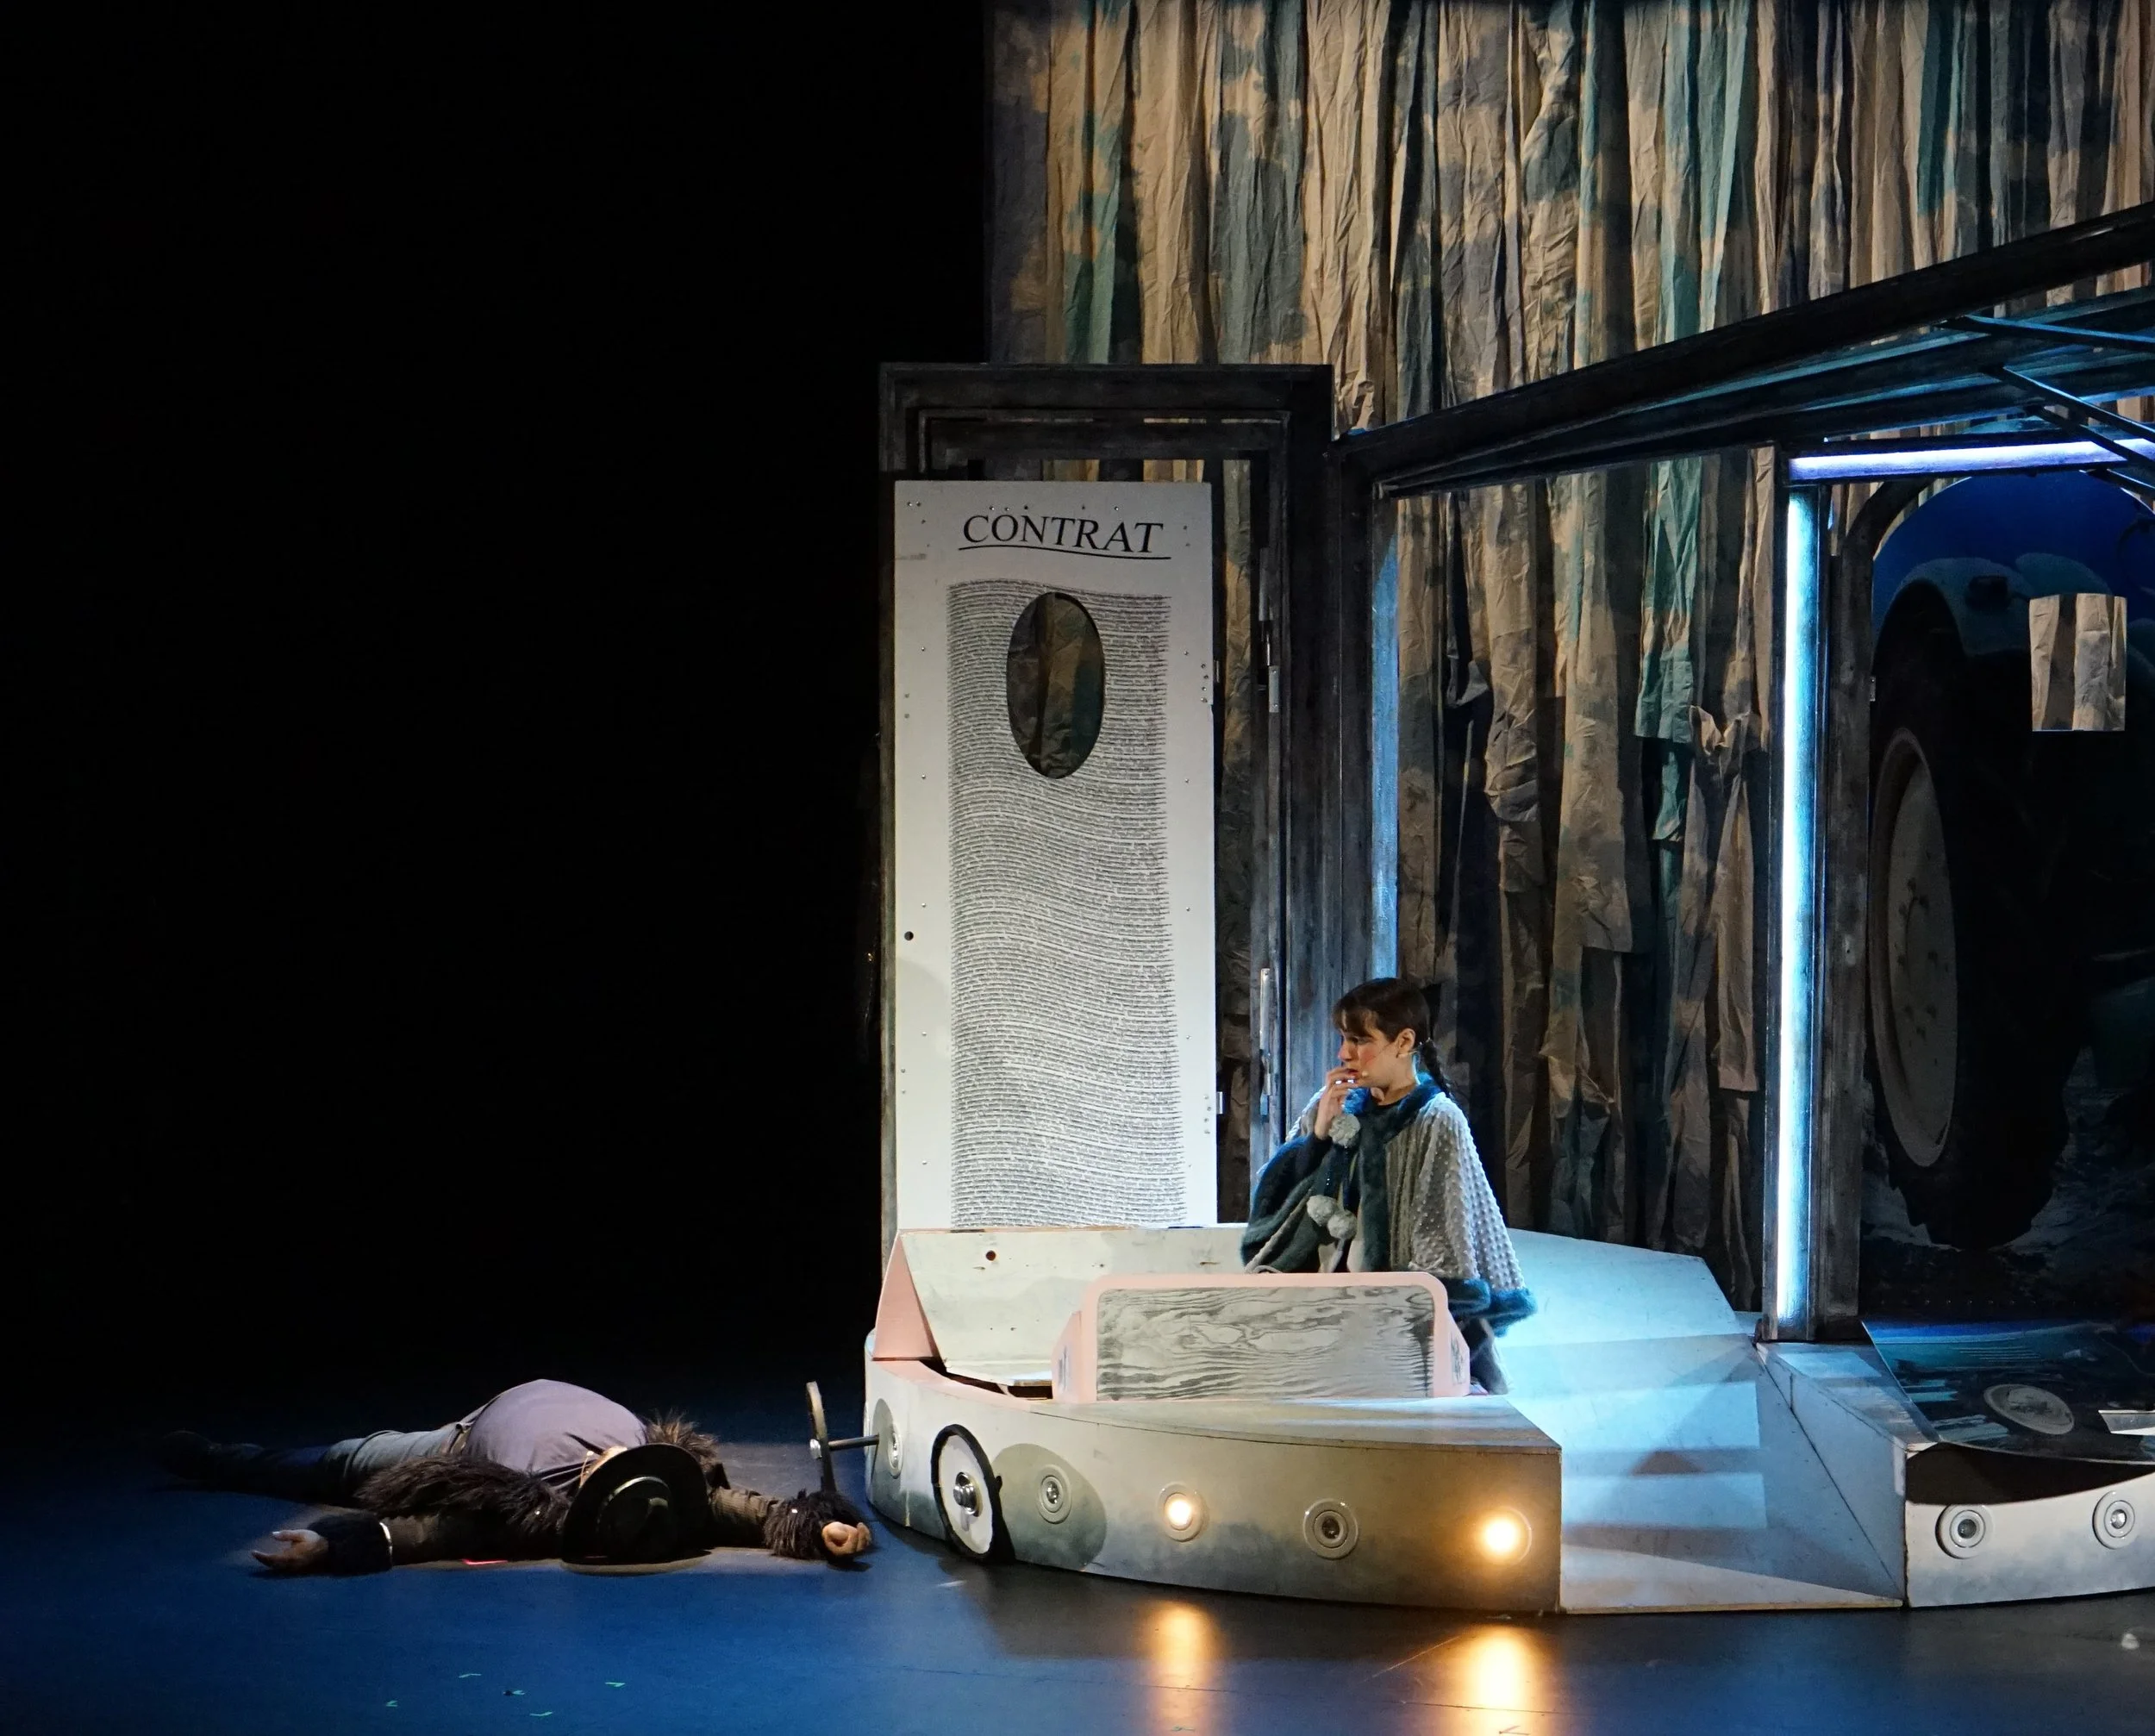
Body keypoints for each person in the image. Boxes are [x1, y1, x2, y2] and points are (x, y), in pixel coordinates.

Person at [156, 1377, 871, 1574]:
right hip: (508, 1400)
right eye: (620, 1462)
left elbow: (430, 1532)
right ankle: (227, 1458)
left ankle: (222, 1461)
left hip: (458, 1442)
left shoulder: (539, 1513)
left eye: (604, 1472)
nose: (602, 1457)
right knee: (341, 1457)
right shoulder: (676, 1487)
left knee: (343, 1462)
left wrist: (332, 1546)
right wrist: (827, 1527)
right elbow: (758, 1510)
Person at [1242, 978, 1533, 1392]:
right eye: (1344, 1038)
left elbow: (1443, 1234)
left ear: (1404, 1042)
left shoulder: (1436, 1119)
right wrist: (1318, 1137)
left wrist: (1401, 1308)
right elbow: (1278, 1200)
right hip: (1325, 1301)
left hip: (1394, 1319)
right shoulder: (1334, 1103)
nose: (1344, 1053)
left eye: (1360, 1040)